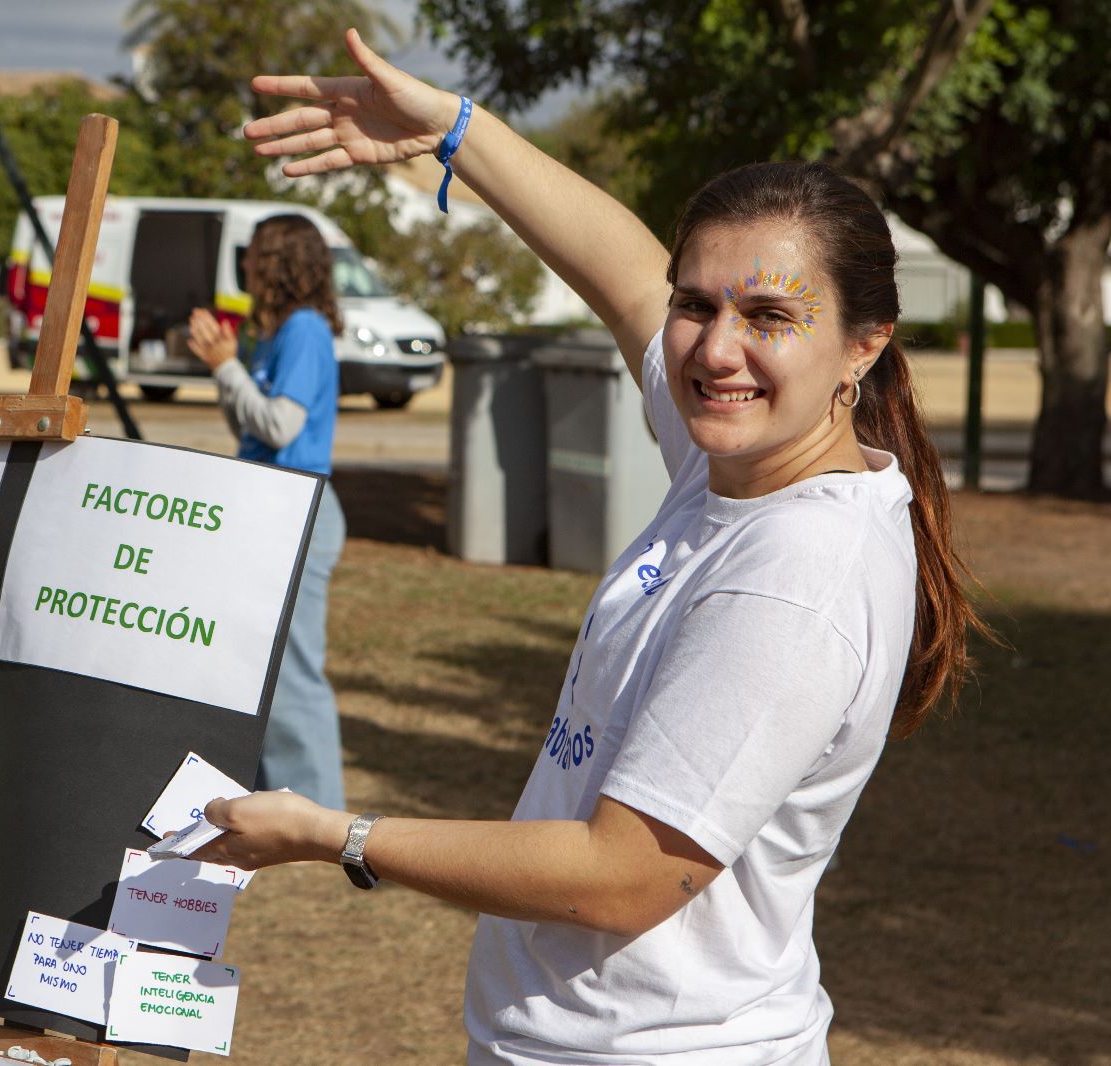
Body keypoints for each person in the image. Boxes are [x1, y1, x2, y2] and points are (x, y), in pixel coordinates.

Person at [188, 30, 993, 1065]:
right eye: (696, 305)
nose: (714, 347)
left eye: (768, 314)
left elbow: (622, 874)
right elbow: (620, 272)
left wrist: (336, 835)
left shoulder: (797, 571)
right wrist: (453, 133)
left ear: (864, 343)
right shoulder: (736, 461)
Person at [187, 215, 347, 810]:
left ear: (278, 261)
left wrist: (228, 367)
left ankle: (316, 814)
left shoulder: (304, 330)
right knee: (258, 668)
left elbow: (282, 424)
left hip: (300, 513)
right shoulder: (276, 332)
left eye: (253, 255)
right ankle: (272, 797)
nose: (245, 266)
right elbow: (249, 424)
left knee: (292, 673)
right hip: (269, 512)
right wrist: (224, 366)